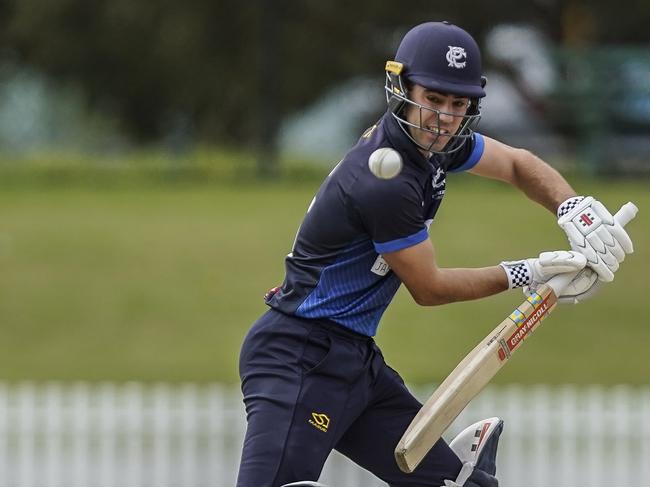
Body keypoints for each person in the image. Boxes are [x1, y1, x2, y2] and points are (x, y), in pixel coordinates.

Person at [236, 21, 634, 487]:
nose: (444, 117)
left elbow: (517, 164)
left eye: (457, 104)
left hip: (354, 363)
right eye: (433, 99)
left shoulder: (437, 145)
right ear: (402, 89)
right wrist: (529, 272)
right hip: (299, 357)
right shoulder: (385, 181)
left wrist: (573, 207)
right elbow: (429, 288)